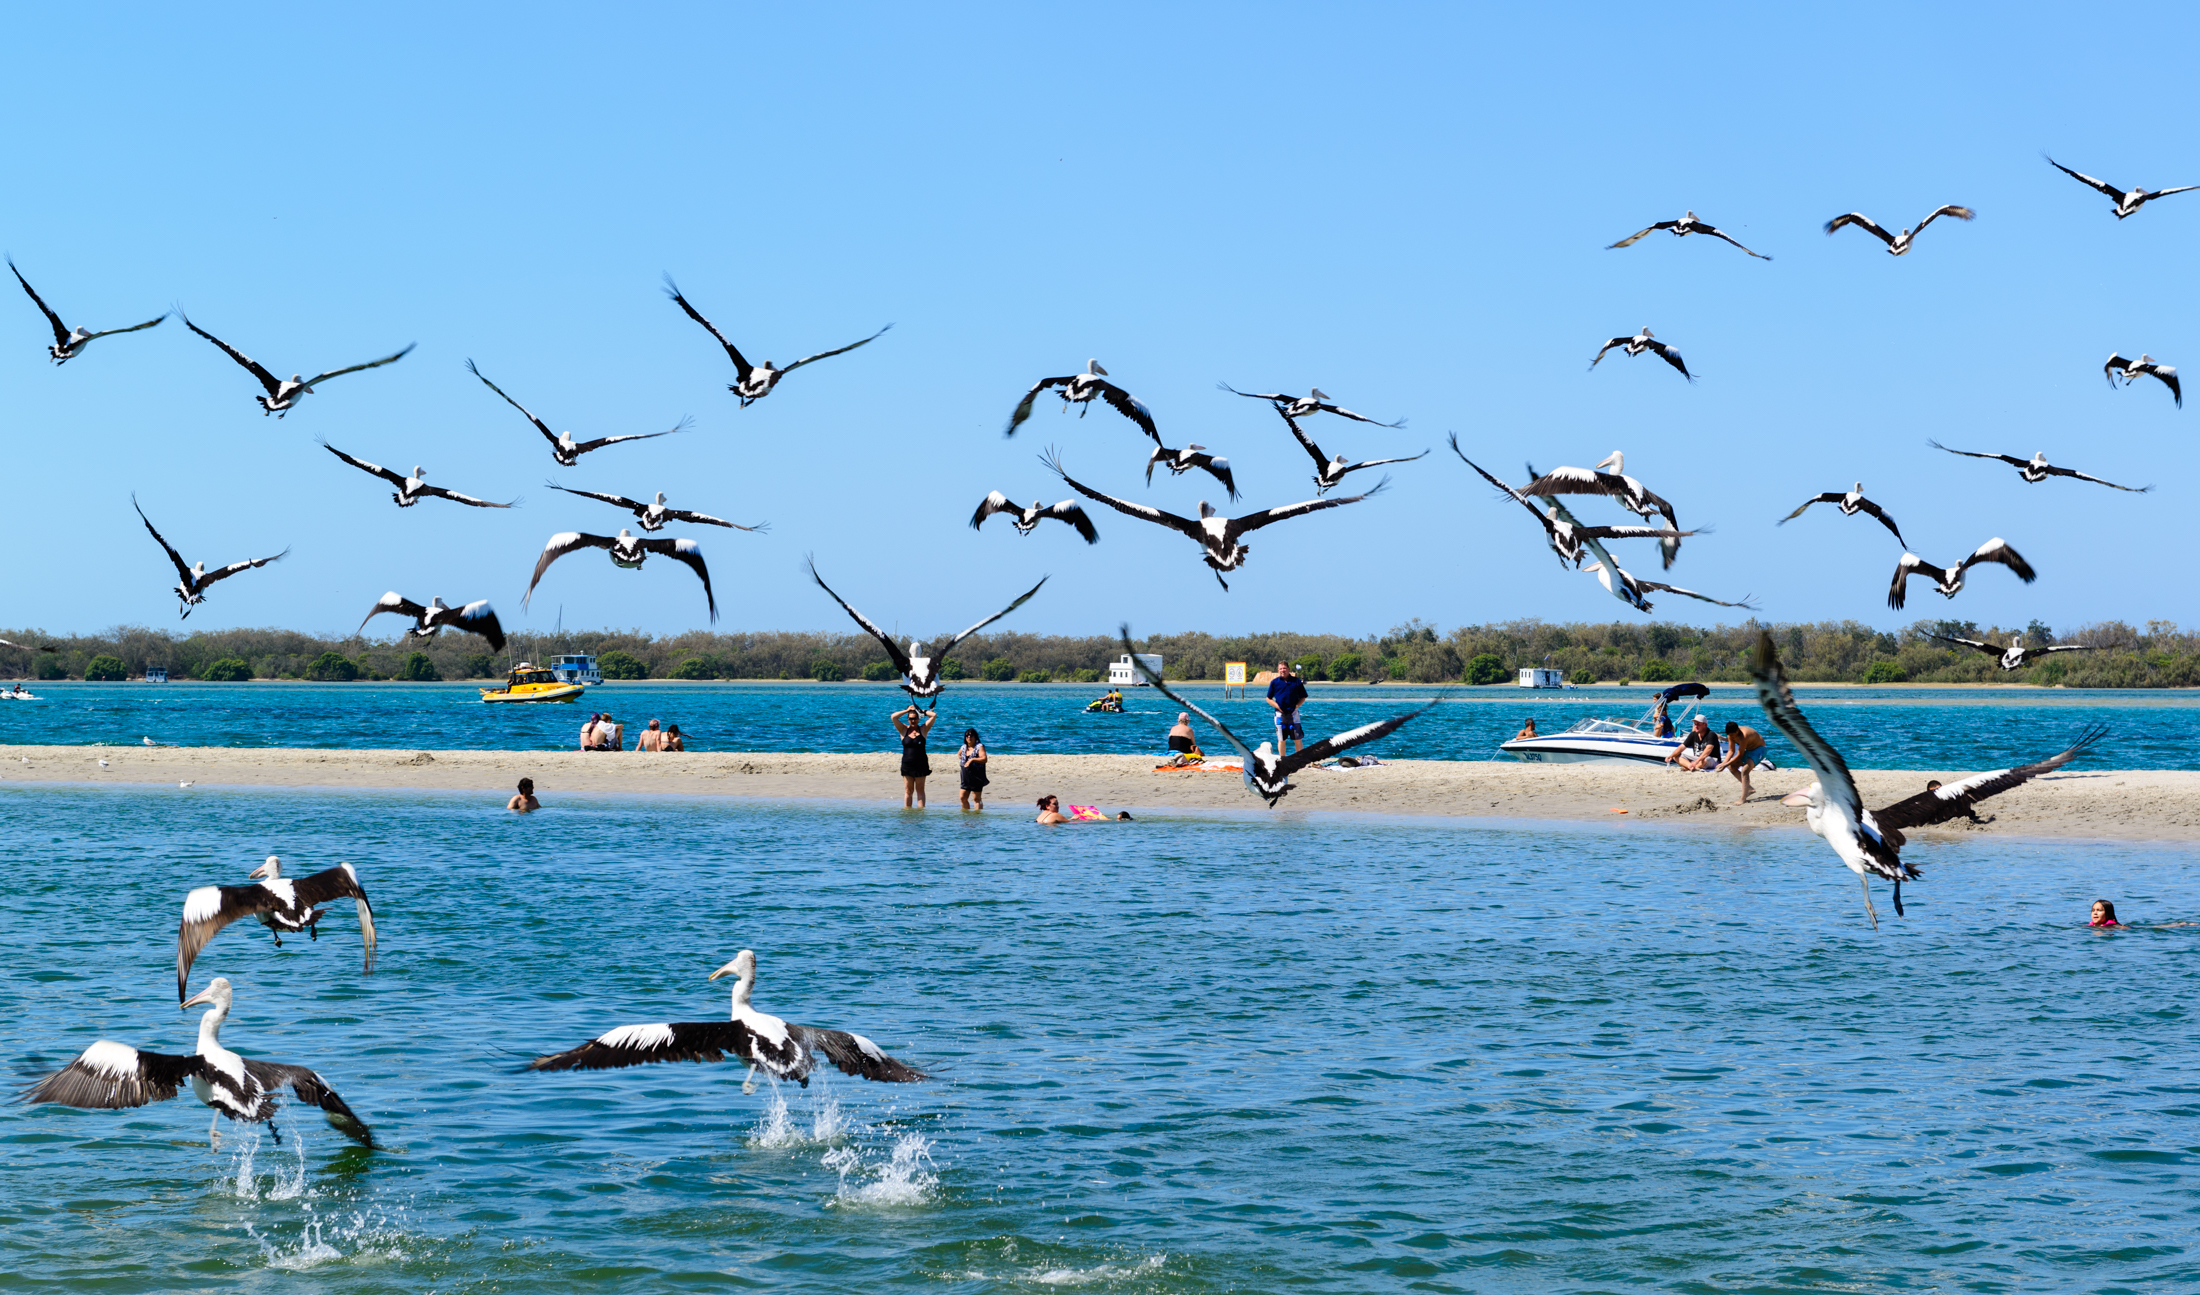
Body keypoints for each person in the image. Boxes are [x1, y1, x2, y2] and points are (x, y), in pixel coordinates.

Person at [894, 704, 936, 808]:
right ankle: (908, 812)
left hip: (921, 763)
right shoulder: (903, 730)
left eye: (915, 718)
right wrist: (907, 710)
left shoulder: (923, 729)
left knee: (920, 790)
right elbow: (893, 717)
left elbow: (933, 715)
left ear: (918, 718)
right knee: (908, 790)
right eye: (911, 719)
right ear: (908, 719)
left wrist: (920, 710)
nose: (913, 721)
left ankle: (921, 813)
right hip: (907, 764)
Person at [1717, 721, 1768, 803]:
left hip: (1759, 749)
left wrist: (1726, 764)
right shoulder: (1730, 734)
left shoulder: (1744, 735)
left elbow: (1740, 754)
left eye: (1733, 735)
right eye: (1730, 735)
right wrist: (1724, 763)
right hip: (1748, 750)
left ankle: (1743, 798)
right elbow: (1731, 750)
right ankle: (1749, 789)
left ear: (1737, 731)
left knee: (1745, 770)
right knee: (1731, 767)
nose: (1732, 737)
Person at [1267, 660, 1308, 756]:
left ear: (1288, 669)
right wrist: (1277, 706)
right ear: (1278, 670)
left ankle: (1299, 759)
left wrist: (1296, 706)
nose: (1283, 670)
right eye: (1280, 669)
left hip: (1294, 714)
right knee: (1281, 739)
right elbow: (1268, 699)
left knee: (1297, 738)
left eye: (1284, 668)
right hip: (1279, 714)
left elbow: (1303, 697)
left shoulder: (1296, 681)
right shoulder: (1274, 683)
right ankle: (1282, 759)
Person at [957, 727, 989, 811]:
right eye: (967, 736)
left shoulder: (979, 747)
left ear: (975, 737)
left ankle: (977, 816)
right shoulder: (963, 747)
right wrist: (963, 759)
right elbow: (959, 754)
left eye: (971, 735)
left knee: (976, 799)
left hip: (976, 776)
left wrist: (972, 759)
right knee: (962, 797)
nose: (969, 737)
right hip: (965, 777)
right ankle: (966, 814)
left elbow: (984, 759)